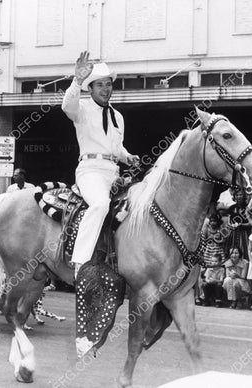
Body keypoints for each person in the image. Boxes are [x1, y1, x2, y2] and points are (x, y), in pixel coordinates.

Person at [61, 51, 139, 276]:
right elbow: (67, 105)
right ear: (90, 89)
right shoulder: (81, 108)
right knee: (101, 205)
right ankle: (80, 262)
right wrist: (76, 80)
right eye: (100, 85)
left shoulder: (118, 116)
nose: (106, 89)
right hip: (90, 171)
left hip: (113, 172)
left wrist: (128, 157)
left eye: (108, 84)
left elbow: (116, 147)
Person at [224, 189, 252, 261]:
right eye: (237, 195)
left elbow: (251, 223)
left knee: (245, 252)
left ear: (244, 196)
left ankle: (244, 269)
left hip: (245, 234)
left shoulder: (248, 208)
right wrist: (230, 226)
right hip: (233, 233)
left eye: (240, 195)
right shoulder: (231, 208)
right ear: (234, 197)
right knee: (232, 251)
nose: (239, 197)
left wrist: (242, 225)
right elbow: (228, 222)